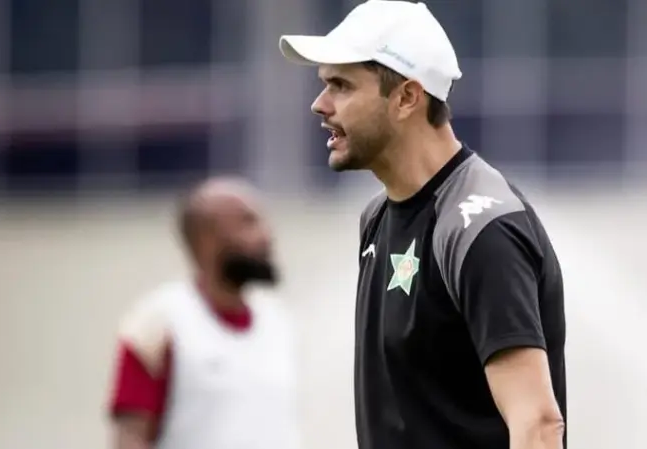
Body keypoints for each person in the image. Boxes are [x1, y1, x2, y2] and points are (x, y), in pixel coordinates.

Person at [278, 1, 566, 448]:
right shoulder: (375, 217)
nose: (319, 104)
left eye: (341, 85)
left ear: (407, 97)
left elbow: (539, 425)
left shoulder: (481, 229)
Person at [106, 177, 299, 449]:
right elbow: (130, 437)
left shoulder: (276, 320)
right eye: (248, 222)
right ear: (206, 238)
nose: (266, 235)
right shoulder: (158, 323)